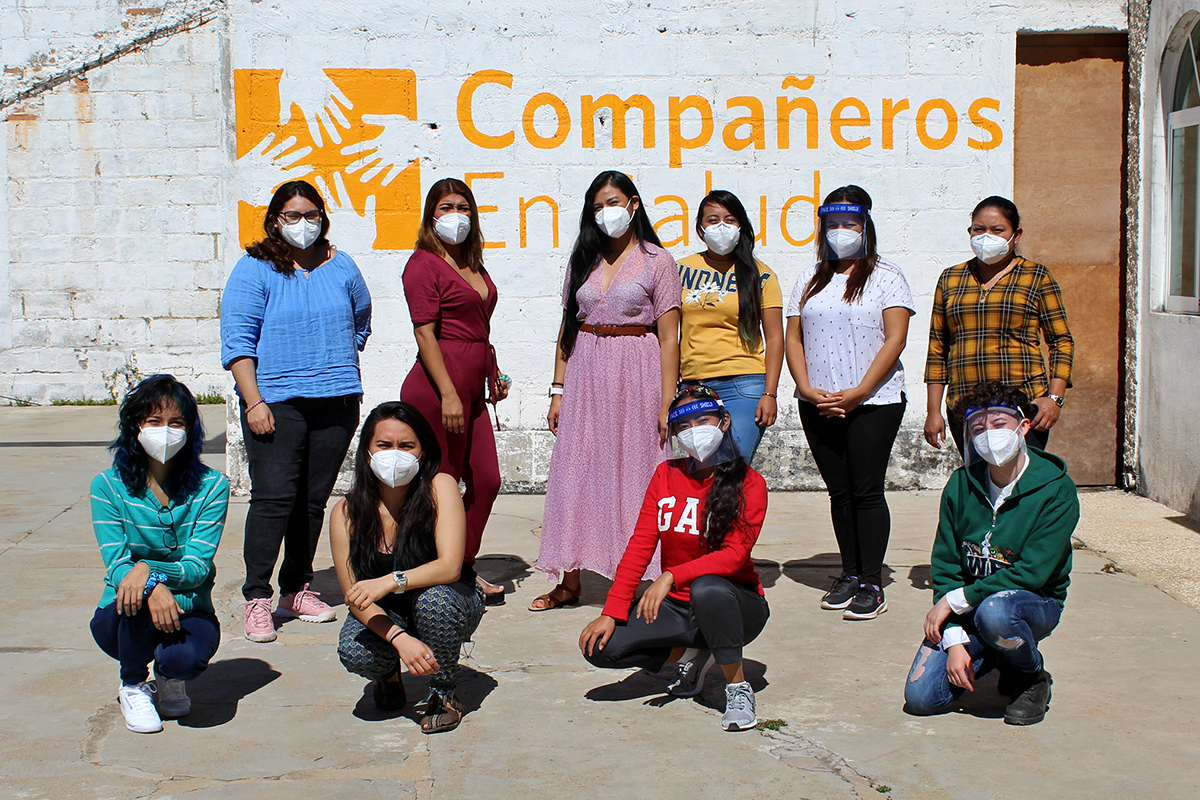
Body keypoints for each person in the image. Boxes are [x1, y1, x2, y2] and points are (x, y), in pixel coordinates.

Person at [221, 179, 372, 643]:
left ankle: (296, 588)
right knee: (273, 499)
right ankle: (257, 597)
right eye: (292, 216)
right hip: (275, 403)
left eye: (311, 215)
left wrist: (334, 364)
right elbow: (238, 342)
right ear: (274, 221)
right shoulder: (254, 270)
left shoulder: (342, 266)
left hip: (336, 401)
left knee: (310, 502)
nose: (303, 224)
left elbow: (361, 322)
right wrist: (254, 401)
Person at [532, 170, 682, 611]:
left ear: (634, 204)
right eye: (597, 207)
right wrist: (556, 388)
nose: (605, 213)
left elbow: (670, 336)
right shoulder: (582, 259)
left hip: (639, 371)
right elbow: (567, 327)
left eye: (612, 203)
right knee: (575, 473)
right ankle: (569, 579)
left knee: (638, 473)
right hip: (586, 372)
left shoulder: (658, 261)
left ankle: (642, 578)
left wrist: (667, 398)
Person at [579, 386, 769, 732]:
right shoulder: (666, 475)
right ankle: (692, 657)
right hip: (679, 608)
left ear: (724, 421)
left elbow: (733, 557)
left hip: (735, 606)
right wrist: (612, 610)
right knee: (601, 648)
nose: (693, 430)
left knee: (708, 588)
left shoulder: (750, 482)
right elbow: (640, 545)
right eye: (683, 425)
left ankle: (737, 686)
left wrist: (670, 577)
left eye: (702, 419)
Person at [904, 382, 1078, 725]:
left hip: (1030, 603)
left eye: (1000, 425)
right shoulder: (961, 484)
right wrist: (953, 638)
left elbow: (1032, 573)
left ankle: (1031, 676)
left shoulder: (1057, 489)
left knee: (995, 612)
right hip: (971, 607)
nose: (990, 435)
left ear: (1023, 427)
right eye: (979, 429)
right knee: (922, 698)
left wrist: (955, 601)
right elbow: (947, 565)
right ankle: (1002, 652)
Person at [784, 186, 914, 620]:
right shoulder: (809, 277)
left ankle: (872, 582)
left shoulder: (888, 276)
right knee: (839, 492)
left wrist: (858, 393)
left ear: (865, 227)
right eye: (833, 225)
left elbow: (895, 339)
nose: (841, 233)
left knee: (866, 491)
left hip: (874, 401)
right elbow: (793, 337)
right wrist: (805, 387)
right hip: (817, 402)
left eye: (850, 225)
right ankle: (850, 572)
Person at [331, 401, 485, 734]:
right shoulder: (345, 512)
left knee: (435, 602)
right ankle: (387, 674)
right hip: (390, 614)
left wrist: (390, 581)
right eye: (384, 445)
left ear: (423, 451)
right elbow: (354, 597)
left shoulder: (439, 487)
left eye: (406, 446)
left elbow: (449, 568)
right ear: (367, 452)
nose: (395, 454)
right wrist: (400, 639)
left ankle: (444, 693)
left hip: (449, 599)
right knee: (355, 651)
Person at [89, 375, 230, 734]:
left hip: (190, 606)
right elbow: (118, 564)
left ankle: (168, 677)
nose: (165, 431)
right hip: (122, 611)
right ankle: (133, 683)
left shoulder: (212, 486)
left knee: (185, 658)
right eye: (154, 421)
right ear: (135, 426)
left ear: (190, 429)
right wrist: (151, 584)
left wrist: (150, 570)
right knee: (135, 592)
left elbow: (198, 567)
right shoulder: (107, 487)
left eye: (176, 422)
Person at [400, 178, 509, 604]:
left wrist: (491, 373)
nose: (456, 215)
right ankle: (434, 568)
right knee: (438, 485)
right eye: (446, 207)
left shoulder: (474, 265)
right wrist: (448, 393)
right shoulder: (422, 264)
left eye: (463, 207)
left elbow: (479, 329)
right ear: (431, 215)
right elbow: (425, 334)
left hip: (473, 392)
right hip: (436, 390)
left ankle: (458, 565)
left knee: (486, 480)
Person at [924, 196, 1074, 454]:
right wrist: (933, 411)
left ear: (1016, 235)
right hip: (966, 406)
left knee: (1022, 485)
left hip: (1023, 404)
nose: (987, 236)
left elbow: (1061, 341)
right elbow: (938, 348)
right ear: (969, 232)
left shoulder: (1036, 277)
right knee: (978, 486)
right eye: (979, 230)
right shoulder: (951, 278)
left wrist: (1054, 398)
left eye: (997, 230)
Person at [676, 190, 784, 461]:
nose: (721, 227)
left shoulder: (762, 275)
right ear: (700, 230)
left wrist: (770, 393)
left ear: (741, 226)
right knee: (702, 466)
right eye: (712, 220)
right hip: (692, 385)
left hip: (745, 385)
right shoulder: (678, 270)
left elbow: (775, 339)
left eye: (729, 219)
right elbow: (664, 333)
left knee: (734, 466)